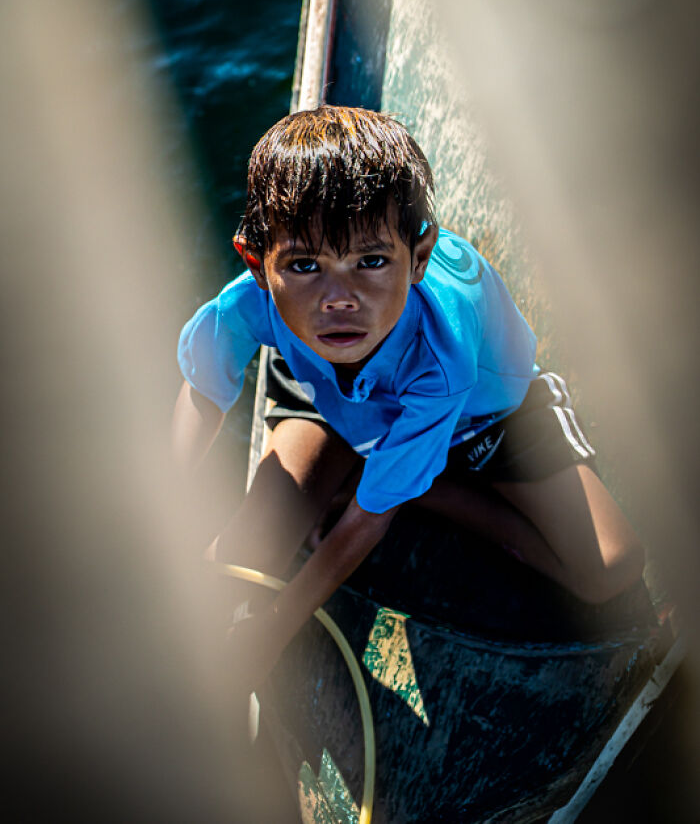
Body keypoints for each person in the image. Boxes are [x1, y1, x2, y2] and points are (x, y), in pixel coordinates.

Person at [172, 105, 645, 688]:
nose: (337, 298)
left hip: (484, 423)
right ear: (257, 261)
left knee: (611, 570)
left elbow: (366, 525)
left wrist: (272, 631)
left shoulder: (441, 360)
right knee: (239, 559)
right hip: (336, 402)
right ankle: (379, 470)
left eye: (371, 262)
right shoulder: (253, 299)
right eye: (303, 265)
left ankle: (417, 487)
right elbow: (203, 391)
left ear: (418, 258)